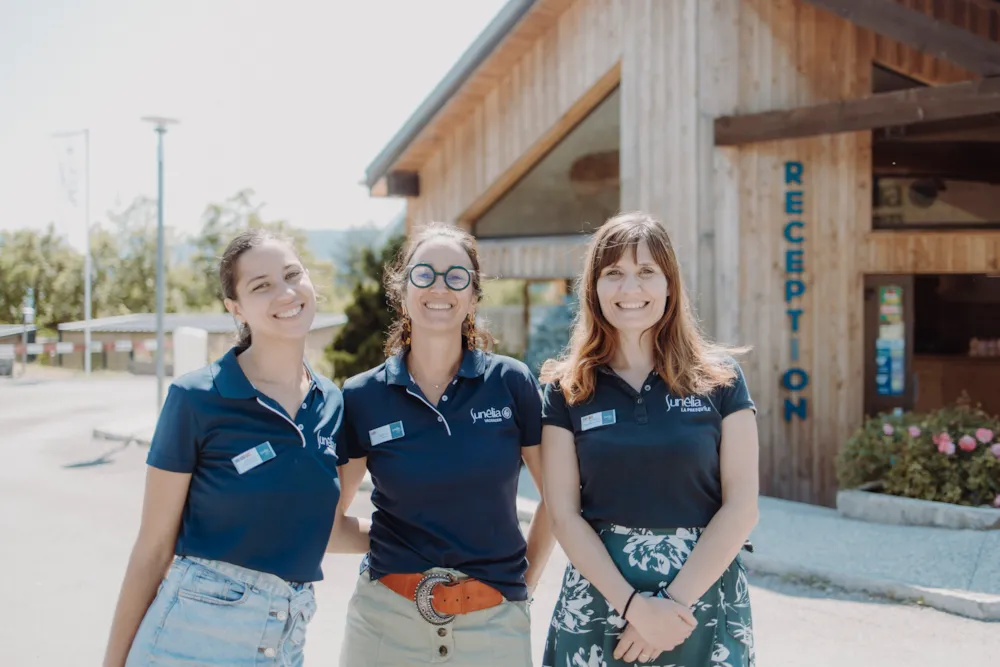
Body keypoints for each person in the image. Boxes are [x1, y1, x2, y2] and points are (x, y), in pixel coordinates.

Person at [102, 229, 361, 667]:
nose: (285, 292)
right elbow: (152, 548)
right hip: (188, 640)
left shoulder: (332, 403)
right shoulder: (196, 397)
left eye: (292, 274)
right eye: (261, 286)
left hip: (283, 641)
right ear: (235, 308)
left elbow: (322, 530)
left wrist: (425, 534)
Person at [539, 212, 759, 667]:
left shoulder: (720, 379)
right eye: (613, 274)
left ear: (669, 284)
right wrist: (635, 608)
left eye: (646, 272)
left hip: (701, 598)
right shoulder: (566, 389)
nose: (629, 289)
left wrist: (671, 607)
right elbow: (563, 515)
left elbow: (742, 507)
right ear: (593, 288)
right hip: (600, 598)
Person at [334, 223, 555, 667]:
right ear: (402, 290)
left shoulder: (511, 383)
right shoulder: (362, 396)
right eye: (424, 274)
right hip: (385, 624)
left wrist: (522, 584)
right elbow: (325, 519)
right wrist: (387, 541)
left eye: (456, 276)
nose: (440, 287)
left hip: (494, 625)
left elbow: (558, 499)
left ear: (473, 295)